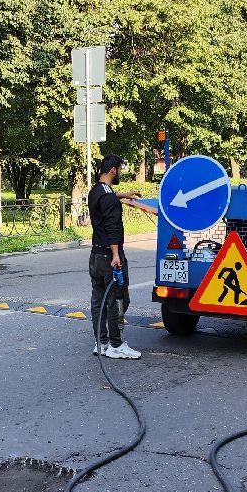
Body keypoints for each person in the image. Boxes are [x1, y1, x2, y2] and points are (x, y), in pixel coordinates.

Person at [87, 154, 142, 359]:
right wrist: (116, 255)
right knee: (117, 299)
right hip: (110, 257)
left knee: (98, 300)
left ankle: (101, 343)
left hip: (95, 256)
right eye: (120, 169)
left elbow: (108, 196)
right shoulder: (108, 197)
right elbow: (112, 228)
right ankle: (116, 345)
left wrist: (124, 195)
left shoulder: (95, 191)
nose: (120, 173)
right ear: (113, 171)